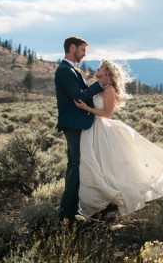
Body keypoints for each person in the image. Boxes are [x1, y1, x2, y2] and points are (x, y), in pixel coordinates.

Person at [74, 60, 163, 218]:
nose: (97, 68)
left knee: (105, 166)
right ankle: (95, 203)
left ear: (107, 72)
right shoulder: (100, 86)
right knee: (94, 164)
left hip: (101, 128)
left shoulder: (109, 89)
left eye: (101, 67)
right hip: (91, 129)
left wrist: (86, 108)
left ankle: (105, 203)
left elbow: (107, 114)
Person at [55, 36, 109, 222]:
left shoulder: (71, 70)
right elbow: (79, 97)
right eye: (83, 50)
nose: (85, 54)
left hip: (78, 123)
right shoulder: (64, 71)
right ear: (72, 48)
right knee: (74, 166)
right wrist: (100, 85)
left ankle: (72, 209)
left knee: (77, 165)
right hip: (73, 124)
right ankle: (67, 212)